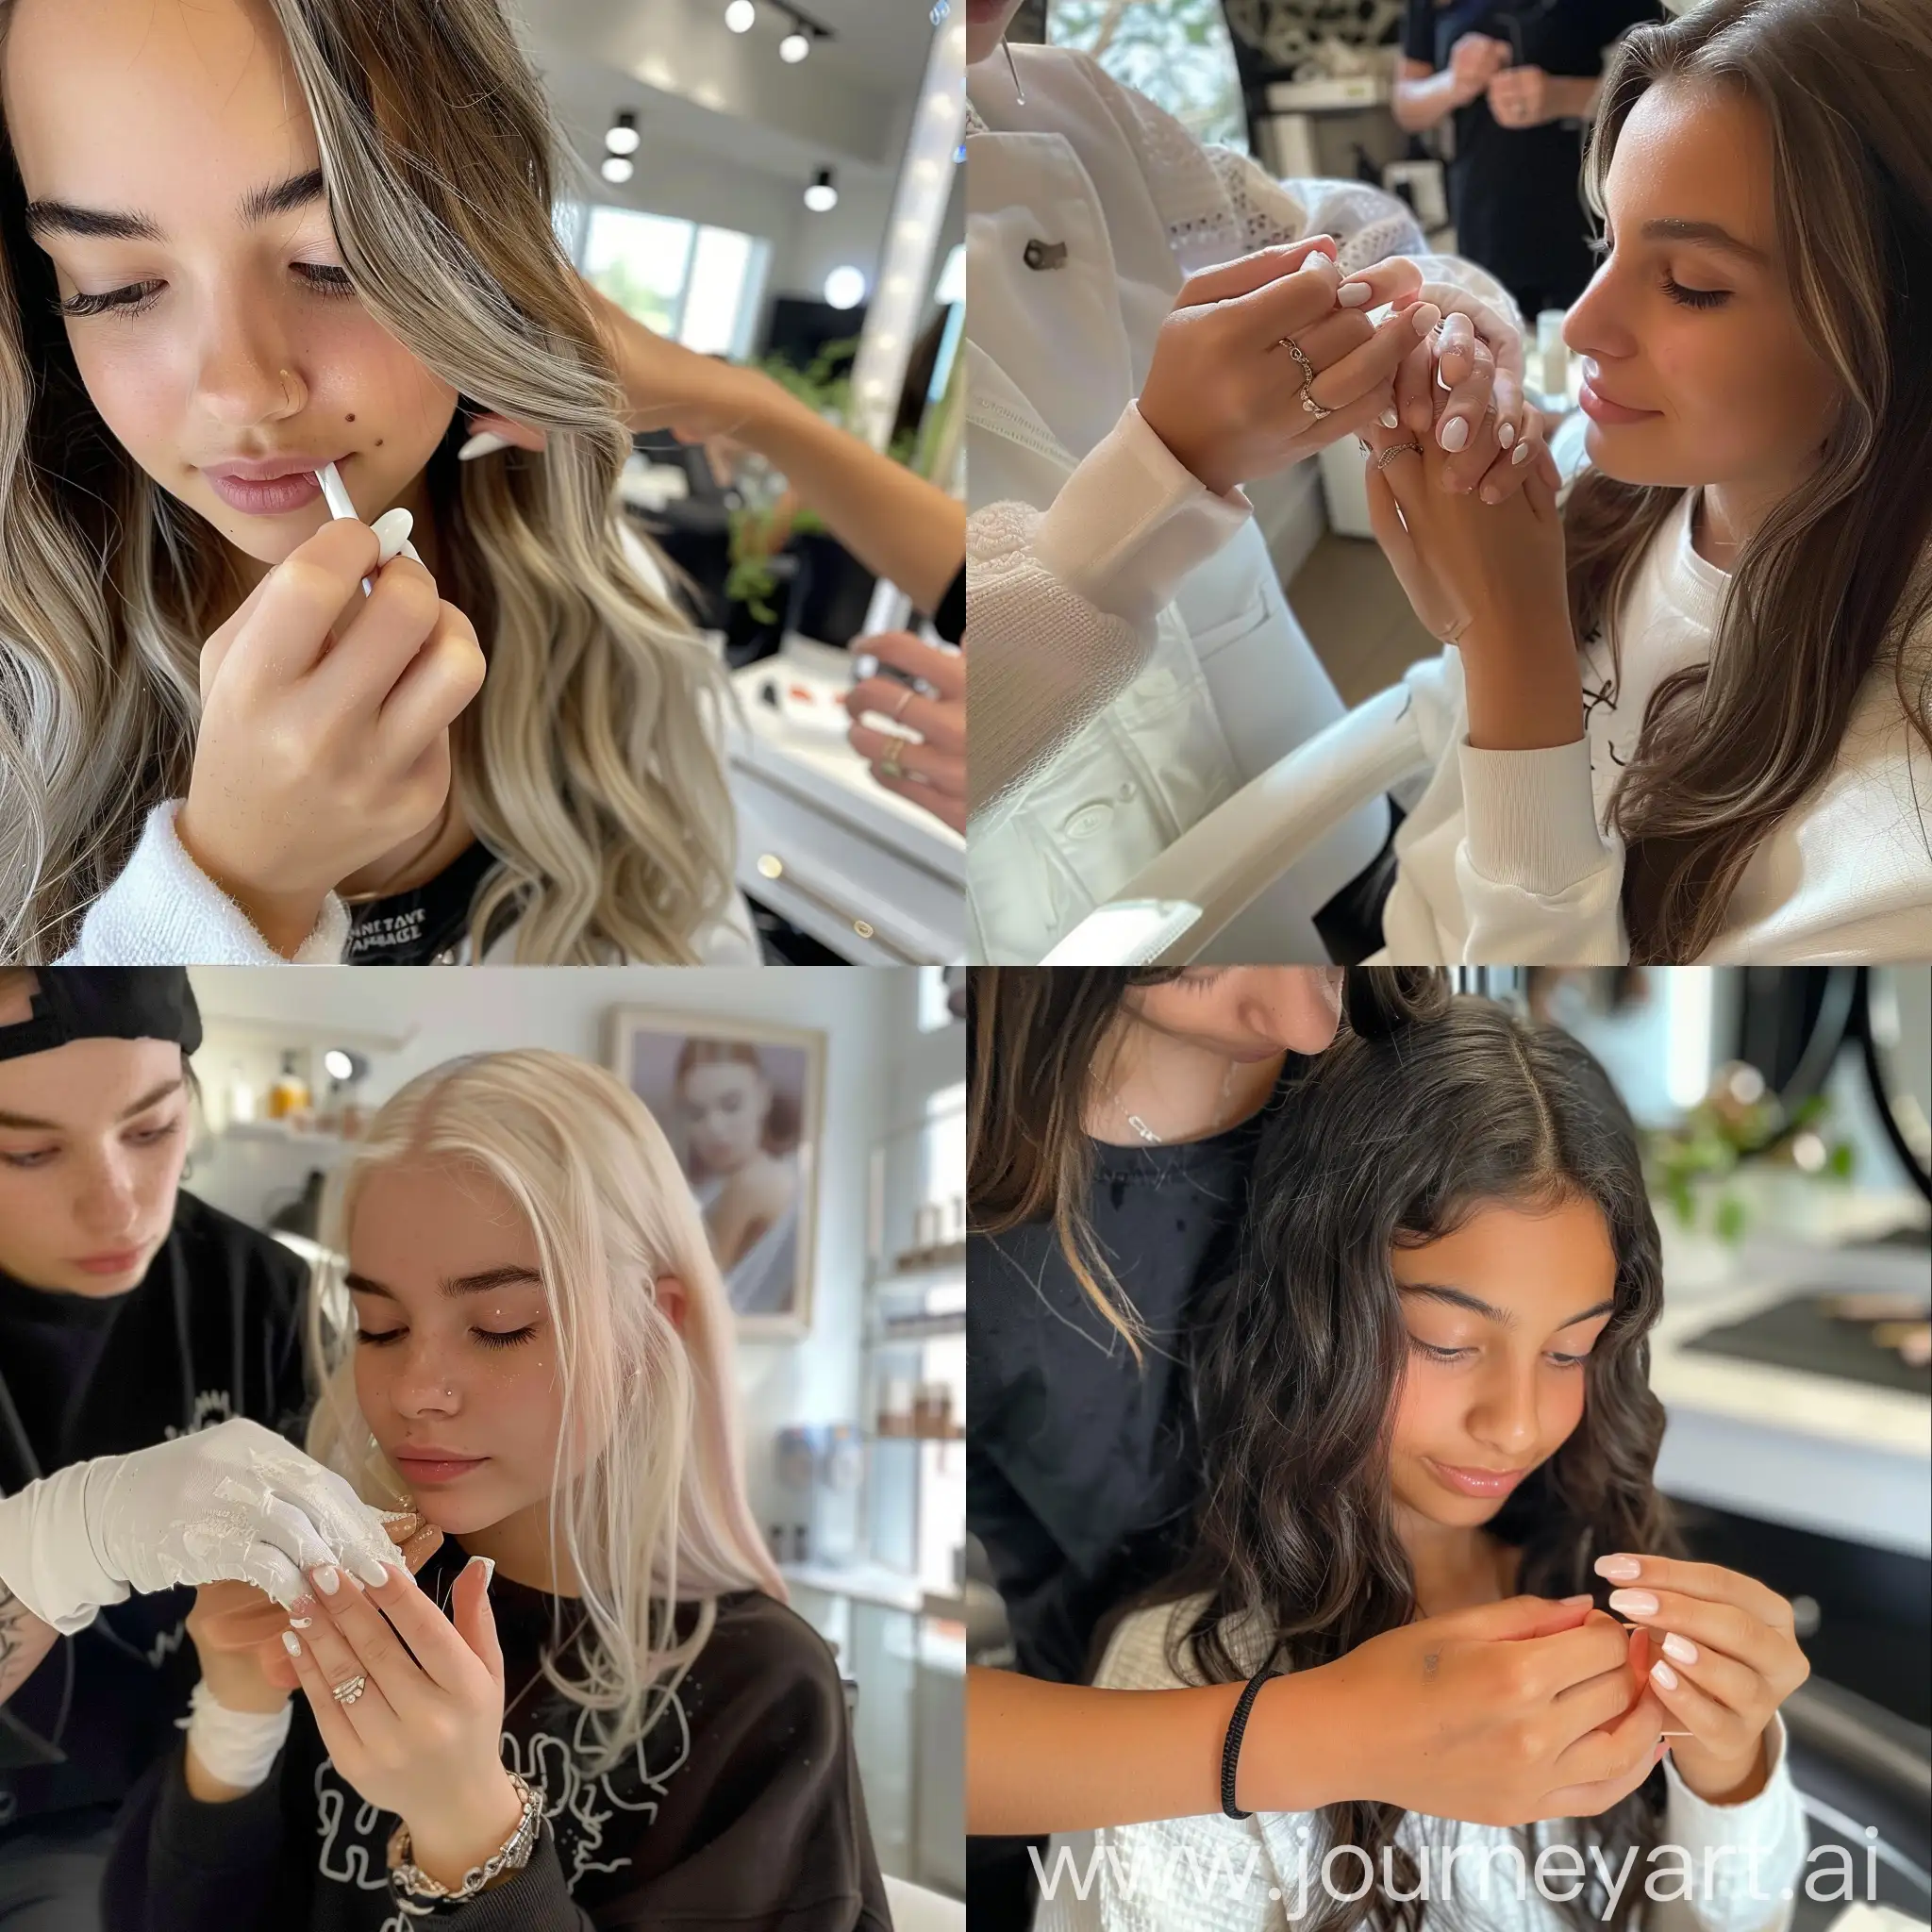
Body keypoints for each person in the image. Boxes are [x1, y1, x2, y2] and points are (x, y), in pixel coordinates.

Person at [0, 0, 963, 968]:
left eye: (334, 263)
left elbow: (695, 941)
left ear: (482, 260)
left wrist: (743, 402)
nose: (243, 393)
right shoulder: (24, 693)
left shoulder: (606, 618)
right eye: (115, 283)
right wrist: (233, 891)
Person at [1031, 995, 1808, 1929]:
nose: (1515, 1424)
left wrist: (1729, 1772)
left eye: (1568, 1352)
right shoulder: (1190, 1674)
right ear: (1315, 1314)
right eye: (1444, 1341)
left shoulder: (1595, 1578)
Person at [100, 1047, 889, 1931]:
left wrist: (473, 1832)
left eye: (500, 1327)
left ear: (650, 1326)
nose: (415, 1390)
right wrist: (236, 1716)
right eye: (381, 1326)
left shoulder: (762, 1689)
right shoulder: (338, 1597)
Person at [963, 0, 1543, 963]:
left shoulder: (1069, 99)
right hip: (1049, 907)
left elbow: (1336, 228)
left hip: (1299, 760)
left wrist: (1438, 315)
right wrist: (1163, 468)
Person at [1358, 0, 1932, 962]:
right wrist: (1474, 624)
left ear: (1893, 325)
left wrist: (1511, 647)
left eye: (1691, 286)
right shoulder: (1607, 472)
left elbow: (1526, 1015)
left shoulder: (1892, 838)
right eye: (1606, 240)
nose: (1579, 327)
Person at [0, 966, 410, 1929]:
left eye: (151, 1130)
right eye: (24, 1151)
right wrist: (64, 1541)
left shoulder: (267, 1299)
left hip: (187, 1808)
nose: (120, 1206)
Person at [1394, 0, 1663, 324]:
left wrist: (1561, 96)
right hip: (1484, 216)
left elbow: (1660, 85)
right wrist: (1452, 85)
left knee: (1590, 338)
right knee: (1493, 340)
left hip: (1581, 214)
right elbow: (1406, 106)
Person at [672, 1039, 801, 1317]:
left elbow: (695, 1293)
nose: (715, 1128)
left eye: (731, 1105)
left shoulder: (751, 1183)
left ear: (763, 1097)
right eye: (696, 1113)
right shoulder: (722, 1183)